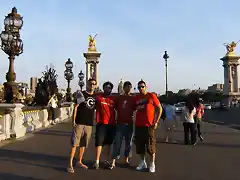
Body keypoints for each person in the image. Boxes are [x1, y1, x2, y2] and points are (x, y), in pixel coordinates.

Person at [67, 78, 97, 173]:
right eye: (90, 83)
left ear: (95, 85)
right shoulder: (82, 94)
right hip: (80, 122)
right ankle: (70, 164)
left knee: (83, 144)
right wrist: (73, 120)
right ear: (87, 84)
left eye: (94, 84)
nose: (92, 85)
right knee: (75, 144)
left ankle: (79, 161)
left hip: (89, 124)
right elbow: (76, 107)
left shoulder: (96, 96)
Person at [134, 80, 162, 173]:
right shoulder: (137, 97)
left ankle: (152, 163)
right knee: (140, 146)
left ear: (146, 87)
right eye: (139, 87)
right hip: (138, 125)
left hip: (149, 125)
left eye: (142, 86)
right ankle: (142, 162)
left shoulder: (151, 96)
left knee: (150, 146)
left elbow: (159, 108)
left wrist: (156, 121)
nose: (140, 89)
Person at [110, 81, 135, 169]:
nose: (128, 88)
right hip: (120, 123)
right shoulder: (119, 98)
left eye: (129, 87)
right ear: (123, 88)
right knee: (117, 142)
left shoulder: (133, 99)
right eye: (126, 87)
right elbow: (114, 108)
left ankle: (126, 159)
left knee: (129, 143)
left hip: (129, 124)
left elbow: (136, 109)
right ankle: (113, 161)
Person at [94, 81, 116, 169]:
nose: (108, 89)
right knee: (99, 143)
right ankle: (97, 161)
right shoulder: (98, 97)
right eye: (106, 87)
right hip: (101, 123)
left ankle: (106, 160)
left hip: (111, 124)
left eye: (110, 87)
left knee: (108, 143)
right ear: (103, 88)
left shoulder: (114, 99)